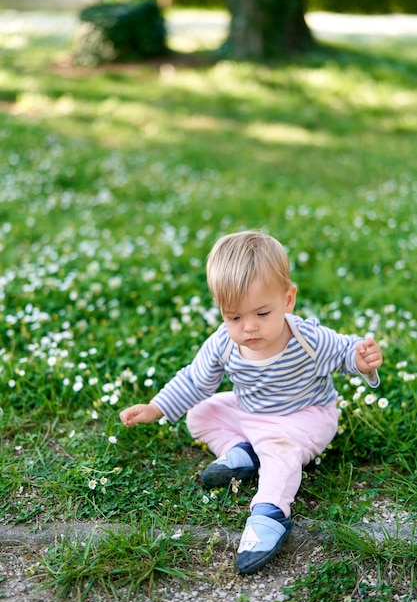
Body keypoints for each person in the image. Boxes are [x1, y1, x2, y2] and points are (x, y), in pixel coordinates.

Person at [119, 231, 383, 574]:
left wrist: (361, 360)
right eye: (234, 317)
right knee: (201, 413)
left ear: (288, 300)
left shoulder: (308, 339)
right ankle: (243, 451)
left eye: (261, 313)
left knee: (282, 451)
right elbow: (195, 381)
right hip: (253, 414)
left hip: (305, 416)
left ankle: (269, 512)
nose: (249, 328)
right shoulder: (223, 344)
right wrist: (156, 407)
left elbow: (346, 351)